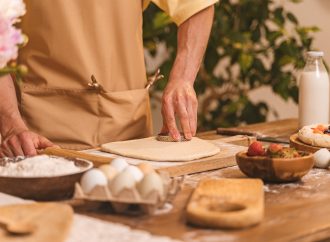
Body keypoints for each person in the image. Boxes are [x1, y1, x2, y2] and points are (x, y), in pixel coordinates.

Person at [0, 0, 216, 157]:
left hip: (131, 138)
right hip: (37, 141)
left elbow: (196, 6)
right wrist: (12, 125)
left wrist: (182, 78)